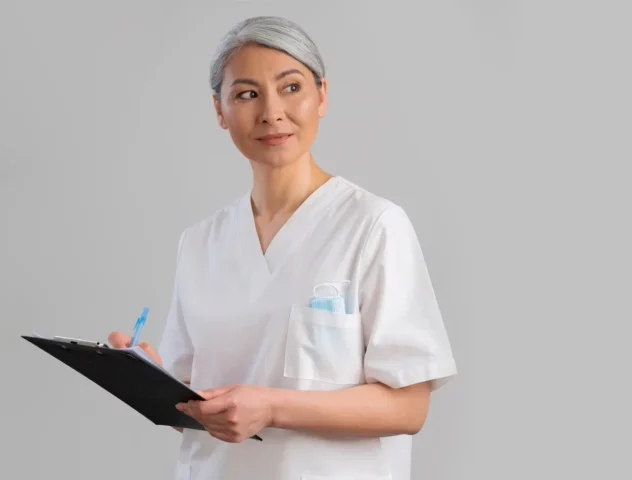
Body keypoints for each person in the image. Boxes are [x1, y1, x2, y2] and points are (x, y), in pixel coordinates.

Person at [108, 15, 456, 480]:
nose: (272, 112)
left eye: (291, 87)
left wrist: (271, 407)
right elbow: (198, 407)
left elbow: (408, 408)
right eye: (247, 94)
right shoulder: (199, 243)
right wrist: (148, 378)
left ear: (322, 96)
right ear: (219, 110)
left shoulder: (373, 226)